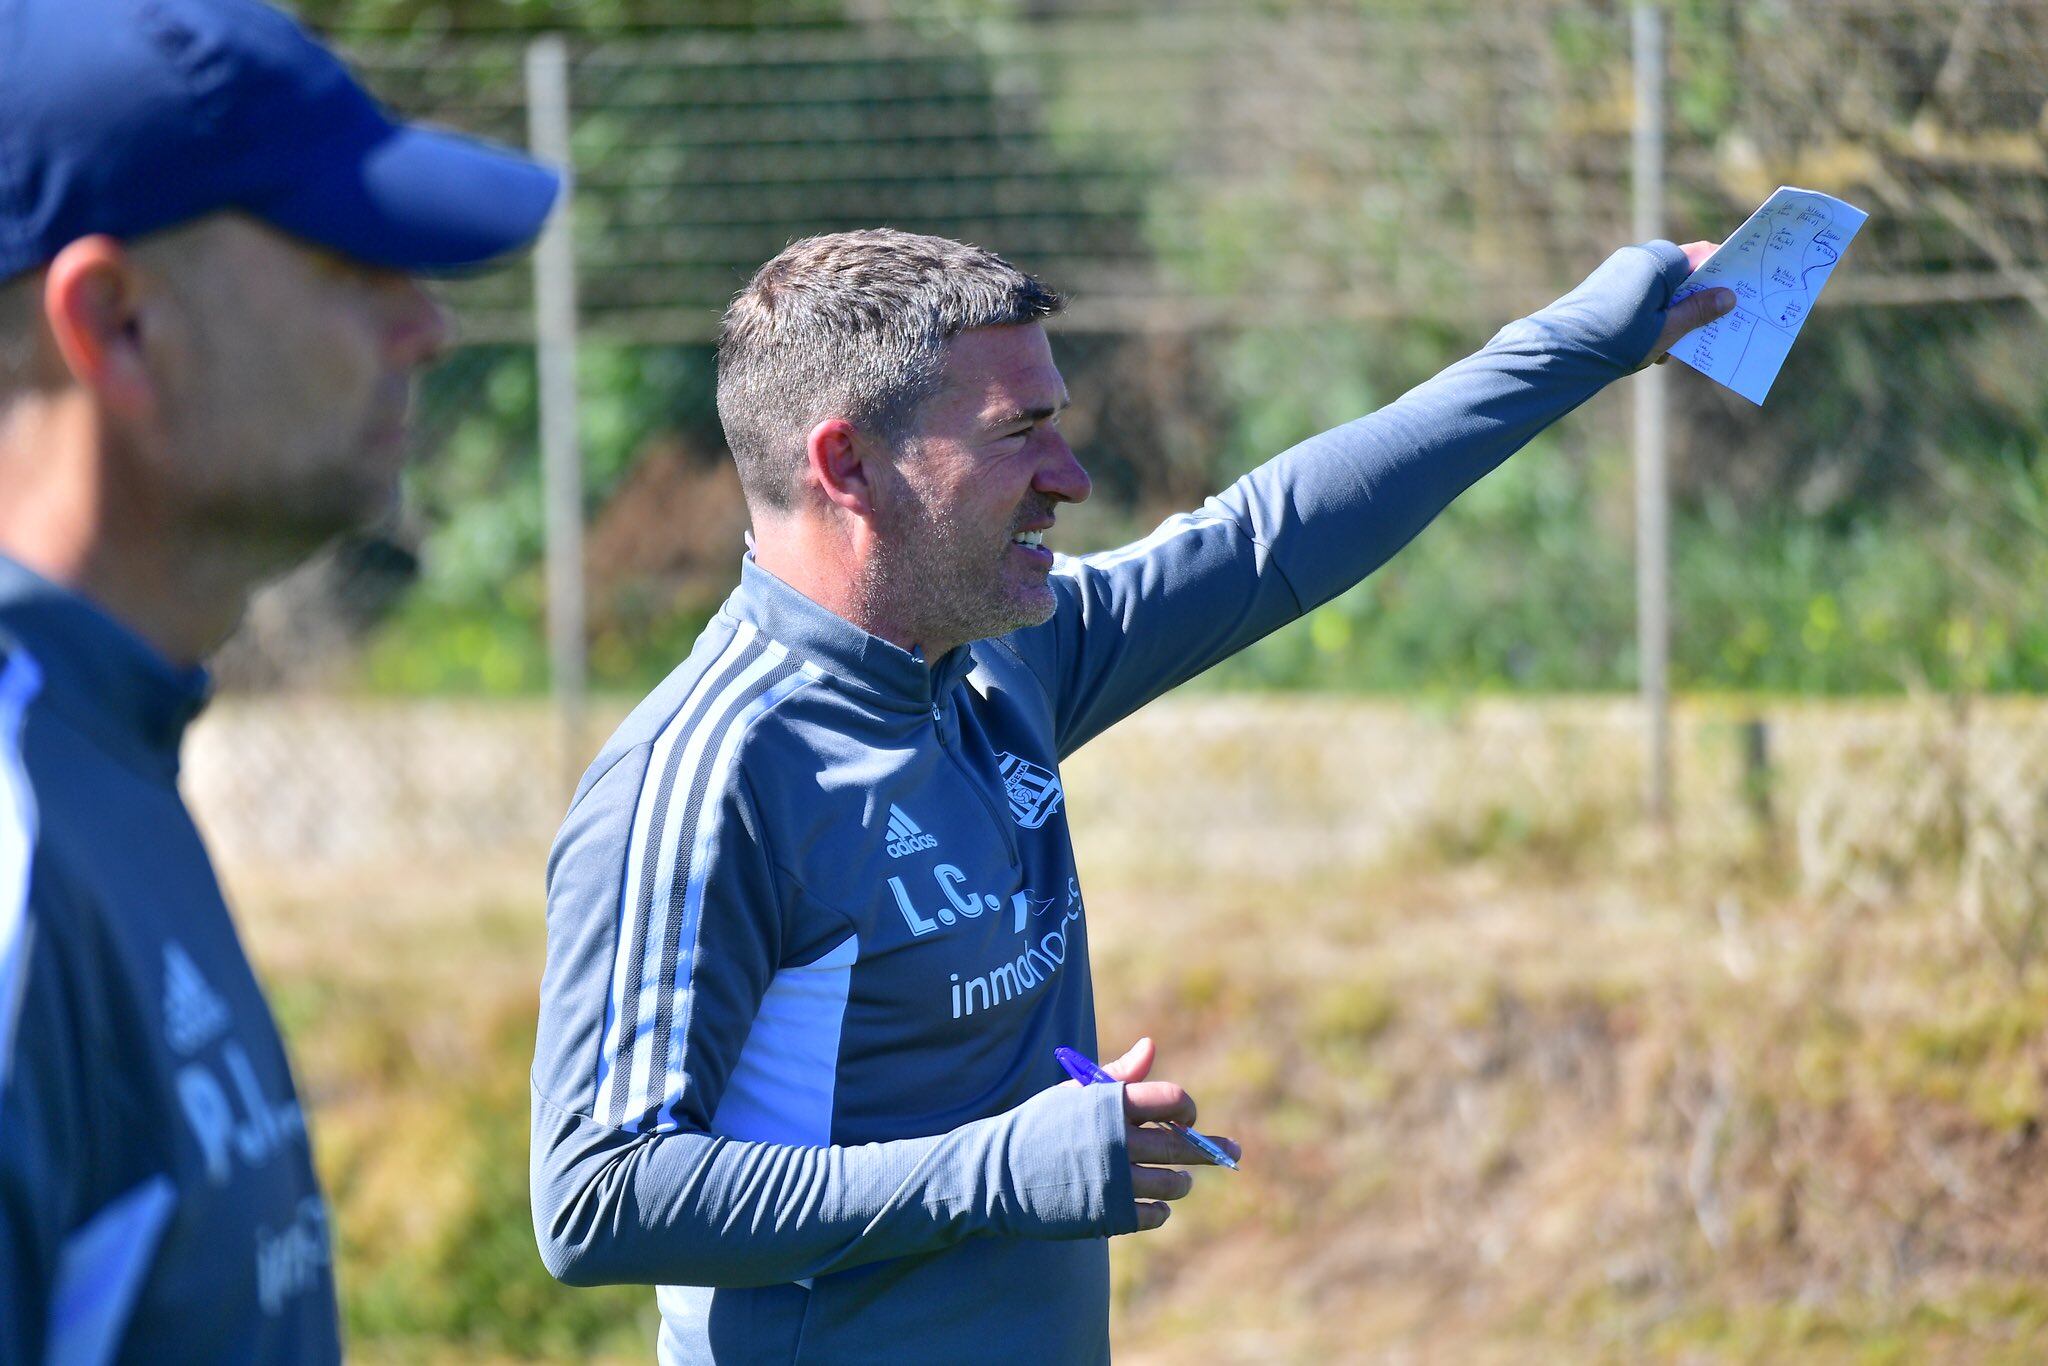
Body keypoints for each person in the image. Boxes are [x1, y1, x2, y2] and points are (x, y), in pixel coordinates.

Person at [531, 228, 1731, 1363]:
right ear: (847, 465)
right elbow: (595, 1195)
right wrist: (991, 1171)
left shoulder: (1002, 656)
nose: (1073, 476)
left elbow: (1266, 541)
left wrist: (1579, 341)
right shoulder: (714, 778)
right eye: (1021, 435)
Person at [0, 0, 560, 1358]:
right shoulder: (12, 846)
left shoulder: (102, 744)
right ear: (118, 323)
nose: (425, 325)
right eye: (348, 261)